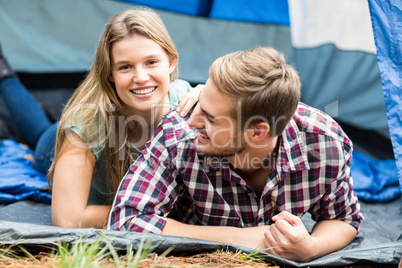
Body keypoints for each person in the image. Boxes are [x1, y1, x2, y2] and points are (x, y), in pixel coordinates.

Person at [108, 47, 364, 262]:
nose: (192, 121)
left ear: (257, 132)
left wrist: (312, 247)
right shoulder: (178, 134)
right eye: (200, 102)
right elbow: (126, 221)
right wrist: (247, 238)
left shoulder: (323, 144)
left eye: (209, 117)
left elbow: (343, 217)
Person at [0, 8, 199, 229]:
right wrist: (144, 216)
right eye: (125, 67)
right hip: (54, 144)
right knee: (40, 135)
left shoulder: (186, 101)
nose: (141, 77)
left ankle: (51, 111)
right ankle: (4, 75)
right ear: (109, 73)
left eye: (151, 62)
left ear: (171, 62)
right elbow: (67, 219)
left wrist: (212, 94)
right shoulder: (86, 126)